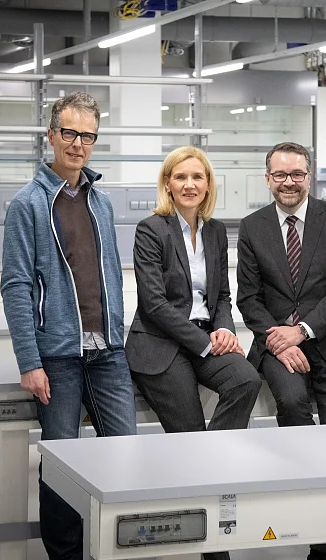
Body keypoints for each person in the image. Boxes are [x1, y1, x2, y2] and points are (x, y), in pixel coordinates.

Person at [0, 92, 137, 560]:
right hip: (57, 357)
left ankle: (112, 547)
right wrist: (28, 360)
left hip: (108, 354)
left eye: (88, 136)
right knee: (61, 464)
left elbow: (108, 276)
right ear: (51, 135)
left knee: (125, 455)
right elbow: (16, 286)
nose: (78, 144)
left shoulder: (101, 201)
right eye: (70, 133)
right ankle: (65, 553)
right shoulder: (28, 205)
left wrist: (119, 338)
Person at [236, 141, 326, 560]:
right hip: (277, 346)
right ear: (268, 178)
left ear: (309, 176)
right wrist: (278, 337)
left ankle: (322, 545)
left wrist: (303, 331)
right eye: (280, 175)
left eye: (297, 174)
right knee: (292, 407)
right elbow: (248, 297)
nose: (289, 182)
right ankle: (295, 503)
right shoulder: (253, 227)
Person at [126, 145, 261, 464]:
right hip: (161, 345)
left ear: (208, 184)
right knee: (190, 428)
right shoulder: (151, 229)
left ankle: (209, 464)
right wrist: (205, 343)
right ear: (167, 183)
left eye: (197, 177)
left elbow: (223, 296)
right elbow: (155, 304)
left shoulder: (215, 232)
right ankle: (203, 475)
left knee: (246, 380)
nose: (190, 184)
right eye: (181, 177)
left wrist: (225, 329)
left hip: (205, 339)